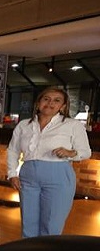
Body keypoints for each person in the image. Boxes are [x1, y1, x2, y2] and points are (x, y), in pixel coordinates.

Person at [7, 87, 91, 238]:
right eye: (46, 99)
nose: (50, 103)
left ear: (63, 106)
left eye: (56, 100)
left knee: (52, 224)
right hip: (28, 176)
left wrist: (70, 153)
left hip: (58, 176)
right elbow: (13, 150)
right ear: (38, 102)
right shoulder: (24, 125)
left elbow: (85, 151)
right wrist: (12, 174)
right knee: (28, 222)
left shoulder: (72, 125)